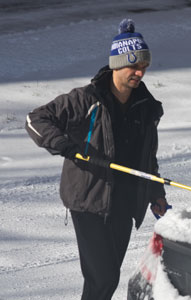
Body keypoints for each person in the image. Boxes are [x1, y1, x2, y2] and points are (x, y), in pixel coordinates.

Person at [25, 19, 169, 300]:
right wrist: (63, 144)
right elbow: (36, 119)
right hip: (90, 201)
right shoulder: (85, 99)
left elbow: (147, 157)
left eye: (144, 67)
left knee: (103, 281)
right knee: (103, 278)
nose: (139, 72)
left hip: (125, 202)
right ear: (116, 64)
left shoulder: (146, 107)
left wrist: (156, 191)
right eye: (133, 66)